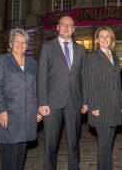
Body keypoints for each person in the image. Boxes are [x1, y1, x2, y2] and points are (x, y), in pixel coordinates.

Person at [37, 16, 87, 170]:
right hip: (51, 103)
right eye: (63, 25)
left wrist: (85, 101)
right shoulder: (47, 47)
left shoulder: (81, 50)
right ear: (57, 27)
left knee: (73, 143)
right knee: (50, 145)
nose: (66, 27)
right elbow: (41, 76)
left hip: (74, 102)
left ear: (74, 29)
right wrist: (42, 102)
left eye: (70, 25)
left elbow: (83, 77)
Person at [0, 28, 42, 170]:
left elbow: (37, 87)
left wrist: (38, 110)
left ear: (27, 45)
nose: (20, 45)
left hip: (27, 116)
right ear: (10, 44)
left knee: (20, 156)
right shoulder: (2, 60)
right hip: (9, 115)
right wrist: (1, 110)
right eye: (17, 41)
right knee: (9, 158)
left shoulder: (33, 63)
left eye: (23, 42)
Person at [83, 26, 122, 170]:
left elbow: (117, 83)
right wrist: (93, 106)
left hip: (114, 105)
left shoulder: (115, 57)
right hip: (100, 105)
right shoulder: (92, 57)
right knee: (104, 143)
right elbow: (90, 82)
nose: (105, 39)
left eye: (108, 36)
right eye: (102, 36)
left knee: (108, 143)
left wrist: (121, 105)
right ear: (97, 40)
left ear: (112, 39)